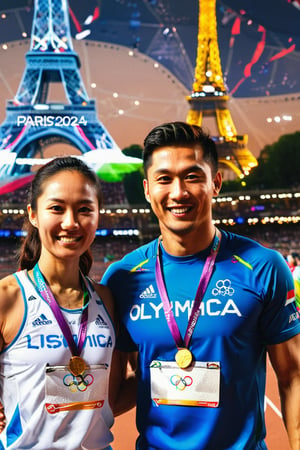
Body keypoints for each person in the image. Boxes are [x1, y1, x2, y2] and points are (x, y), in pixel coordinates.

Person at [102, 121, 300, 450]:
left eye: (192, 176)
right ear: (148, 189)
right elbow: (113, 393)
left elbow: (293, 376)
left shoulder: (263, 267)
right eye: (164, 179)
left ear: (216, 182)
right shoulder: (122, 278)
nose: (178, 192)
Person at [0, 156, 135, 450]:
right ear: (33, 214)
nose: (71, 222)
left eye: (84, 209)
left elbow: (110, 398)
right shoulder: (6, 298)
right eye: (56, 208)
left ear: (99, 215)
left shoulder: (107, 299)